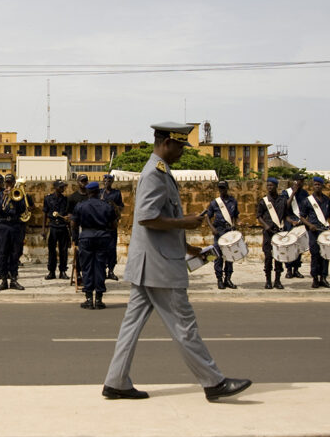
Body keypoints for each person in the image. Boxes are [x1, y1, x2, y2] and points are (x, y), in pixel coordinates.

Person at [103, 122, 251, 402]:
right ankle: (213, 382)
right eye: (181, 146)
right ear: (167, 143)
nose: (183, 152)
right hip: (159, 267)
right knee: (184, 324)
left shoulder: (160, 172)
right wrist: (186, 222)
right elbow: (147, 217)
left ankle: (116, 381)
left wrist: (187, 246)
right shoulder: (154, 174)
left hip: (150, 262)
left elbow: (159, 217)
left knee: (131, 325)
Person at [72, 180, 117, 309]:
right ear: (98, 192)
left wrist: (75, 238)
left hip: (86, 237)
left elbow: (74, 224)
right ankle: (98, 299)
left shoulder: (81, 206)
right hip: (103, 237)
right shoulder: (107, 206)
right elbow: (114, 225)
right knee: (100, 267)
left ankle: (88, 298)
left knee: (87, 268)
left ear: (87, 192)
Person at [0, 173, 27, 290]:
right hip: (3, 225)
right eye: (6, 183)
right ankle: (3, 280)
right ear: (4, 184)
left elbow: (23, 209)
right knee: (2, 253)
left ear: (13, 183)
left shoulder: (19, 195)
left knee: (15, 253)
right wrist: (3, 198)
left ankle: (13, 279)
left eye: (10, 183)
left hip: (15, 225)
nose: (8, 185)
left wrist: (14, 199)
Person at [300, 176, 330, 289]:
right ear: (313, 186)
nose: (317, 186)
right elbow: (302, 217)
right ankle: (315, 278)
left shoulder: (326, 200)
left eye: (319, 184)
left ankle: (323, 278)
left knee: (325, 255)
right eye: (315, 184)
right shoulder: (308, 200)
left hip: (324, 231)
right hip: (313, 231)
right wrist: (310, 225)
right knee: (315, 254)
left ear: (322, 186)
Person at [206, 180, 240, 290]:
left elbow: (236, 216)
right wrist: (212, 229)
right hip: (219, 231)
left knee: (230, 256)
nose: (222, 190)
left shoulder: (233, 201)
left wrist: (236, 224)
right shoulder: (215, 203)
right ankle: (219, 279)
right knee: (218, 256)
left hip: (229, 231)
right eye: (220, 188)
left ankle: (228, 279)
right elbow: (208, 217)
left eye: (223, 188)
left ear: (227, 188)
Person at [256, 177, 288, 289]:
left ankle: (278, 280)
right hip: (268, 233)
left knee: (279, 257)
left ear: (276, 186)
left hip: (279, 232)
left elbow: (286, 215)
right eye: (268, 185)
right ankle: (268, 280)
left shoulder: (282, 200)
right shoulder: (263, 201)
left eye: (271, 185)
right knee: (268, 257)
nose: (269, 187)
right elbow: (259, 216)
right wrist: (266, 225)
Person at [42, 179, 71, 280]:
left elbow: (69, 213)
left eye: (64, 187)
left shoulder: (66, 199)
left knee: (63, 251)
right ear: (56, 188)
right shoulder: (48, 199)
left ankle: (62, 271)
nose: (63, 189)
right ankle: (51, 271)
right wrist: (43, 229)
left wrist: (68, 218)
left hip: (63, 227)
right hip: (53, 227)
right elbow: (45, 214)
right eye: (61, 187)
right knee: (52, 251)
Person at [283, 176, 308, 278]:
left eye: (302, 181)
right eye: (300, 181)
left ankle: (296, 269)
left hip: (300, 222)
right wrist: (293, 193)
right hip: (289, 222)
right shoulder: (286, 193)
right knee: (289, 247)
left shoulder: (304, 193)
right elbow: (285, 207)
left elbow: (307, 208)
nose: (302, 183)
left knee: (299, 247)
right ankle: (289, 270)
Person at [101, 174, 125, 280]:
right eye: (105, 181)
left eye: (109, 181)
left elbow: (121, 208)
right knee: (102, 249)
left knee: (111, 249)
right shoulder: (100, 193)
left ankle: (111, 270)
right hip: (101, 224)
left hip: (112, 224)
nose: (107, 182)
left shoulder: (116, 193)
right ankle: (102, 271)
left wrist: (114, 205)